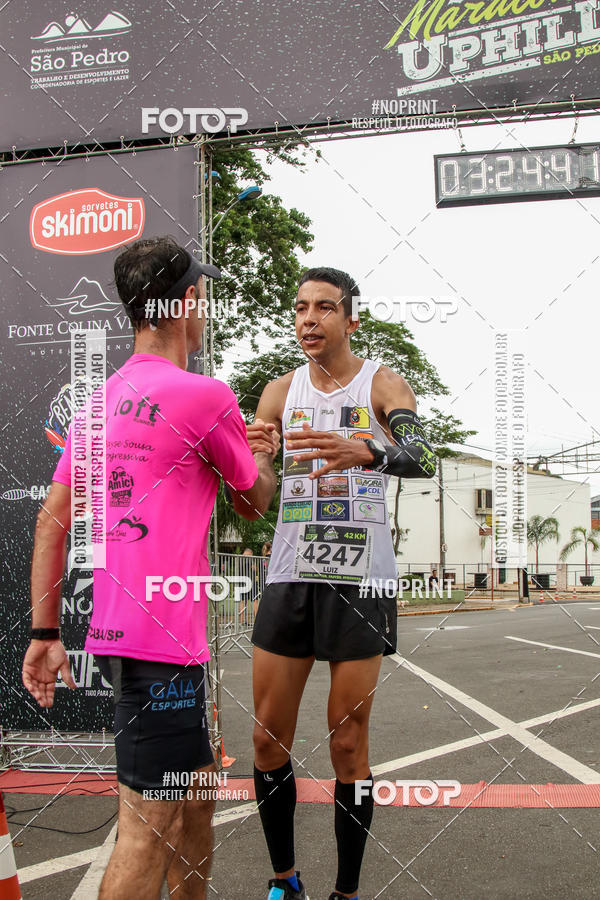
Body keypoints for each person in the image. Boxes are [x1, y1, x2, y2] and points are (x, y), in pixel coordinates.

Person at [22, 236, 278, 899]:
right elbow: (253, 501)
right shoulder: (205, 396)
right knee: (145, 829)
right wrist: (262, 448)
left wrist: (46, 634)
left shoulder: (99, 402)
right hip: (159, 647)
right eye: (204, 295)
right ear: (186, 300)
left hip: (138, 644)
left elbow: (53, 519)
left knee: (195, 796)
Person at [250, 266, 436, 900]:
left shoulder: (381, 382)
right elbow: (257, 499)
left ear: (350, 320)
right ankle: (284, 879)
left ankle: (347, 891)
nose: (308, 318)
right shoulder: (278, 391)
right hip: (290, 574)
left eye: (325, 308)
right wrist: (255, 460)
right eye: (300, 307)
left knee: (347, 741)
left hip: (361, 581)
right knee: (266, 735)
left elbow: (423, 457)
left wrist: (373, 453)